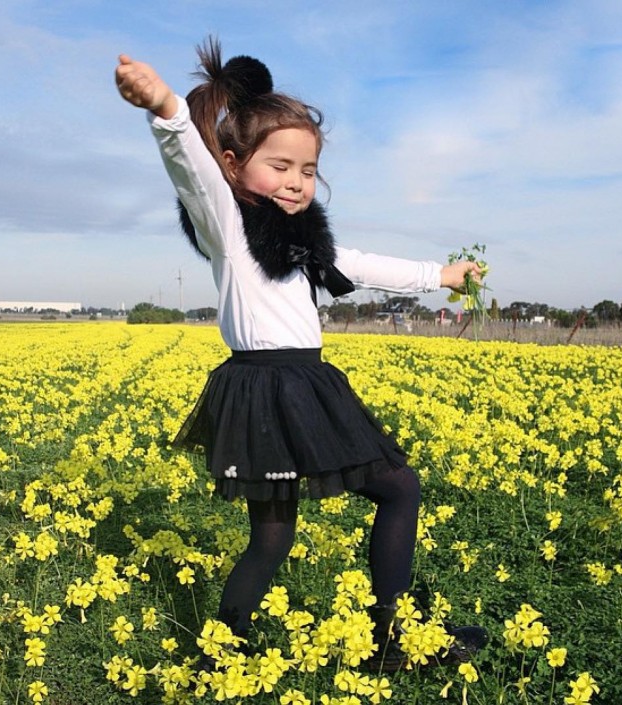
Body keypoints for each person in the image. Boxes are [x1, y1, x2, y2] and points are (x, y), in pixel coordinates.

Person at [115, 38, 487, 673]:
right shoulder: (228, 224)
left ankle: (226, 655)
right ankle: (383, 639)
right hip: (269, 389)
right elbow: (191, 171)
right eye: (280, 166)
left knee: (282, 535)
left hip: (302, 384)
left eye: (308, 170)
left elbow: (361, 264)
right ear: (233, 165)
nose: (295, 182)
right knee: (376, 499)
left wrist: (441, 274)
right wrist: (166, 109)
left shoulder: (301, 239)